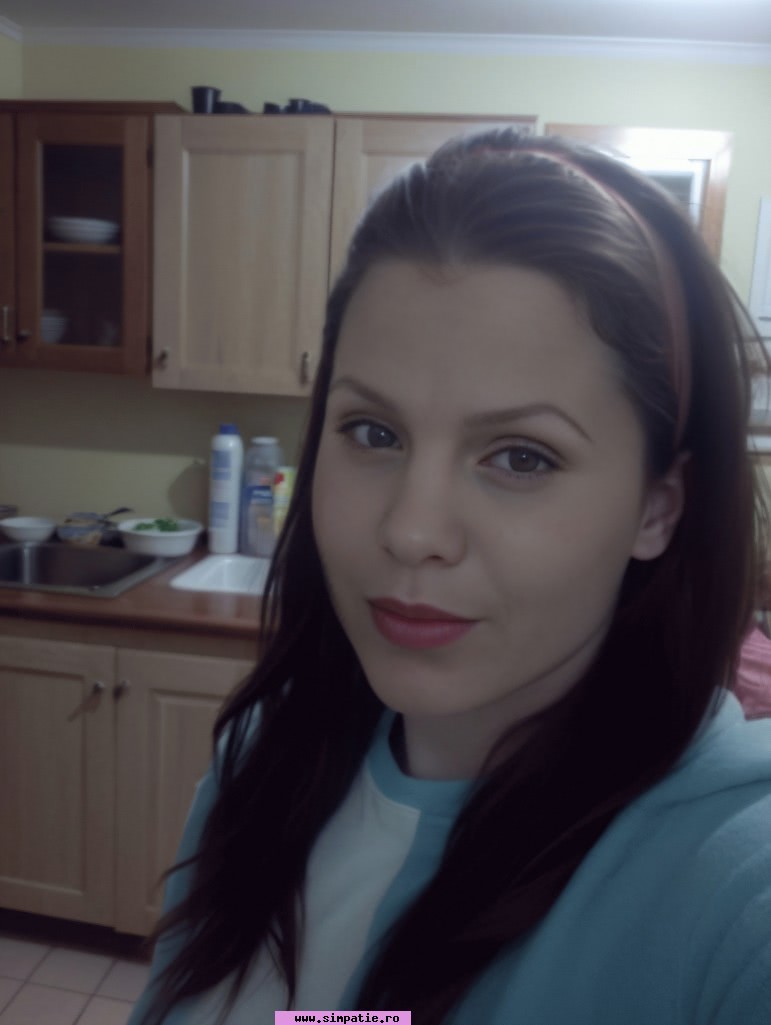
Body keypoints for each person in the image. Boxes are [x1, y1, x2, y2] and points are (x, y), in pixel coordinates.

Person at [129, 129, 771, 1025]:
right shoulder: (265, 760)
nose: (411, 530)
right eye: (373, 433)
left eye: (521, 455)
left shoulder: (731, 878)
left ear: (657, 507)